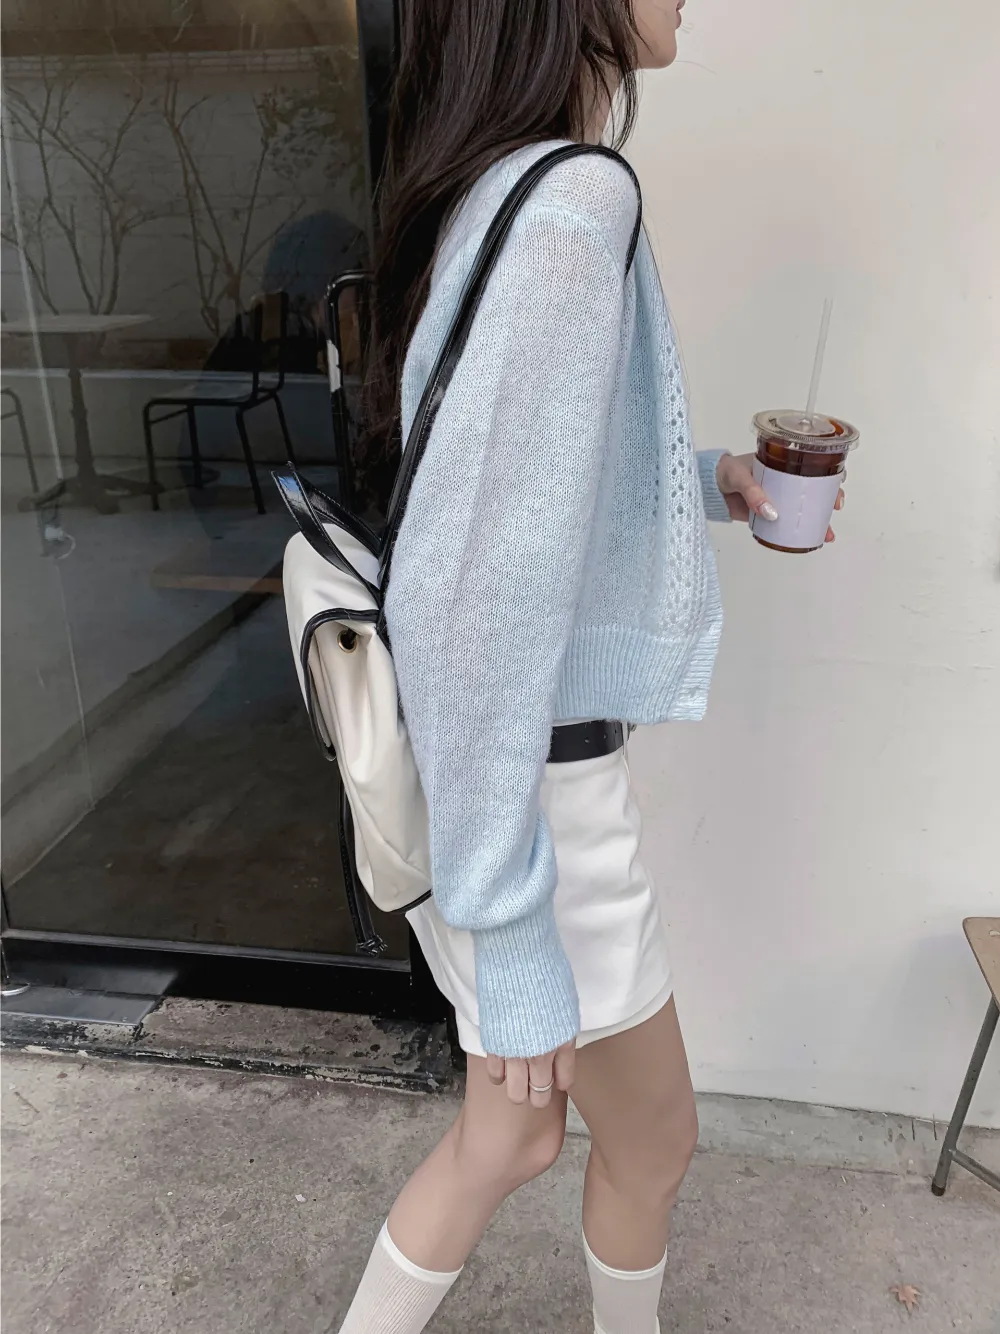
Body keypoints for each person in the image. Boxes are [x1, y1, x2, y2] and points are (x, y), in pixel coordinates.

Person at [338, 3, 843, 1332]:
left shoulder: (497, 183)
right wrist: (513, 935)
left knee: (510, 1138)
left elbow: (510, 502)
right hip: (532, 807)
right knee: (642, 1139)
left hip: (497, 785)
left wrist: (709, 480)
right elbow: (473, 602)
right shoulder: (573, 203)